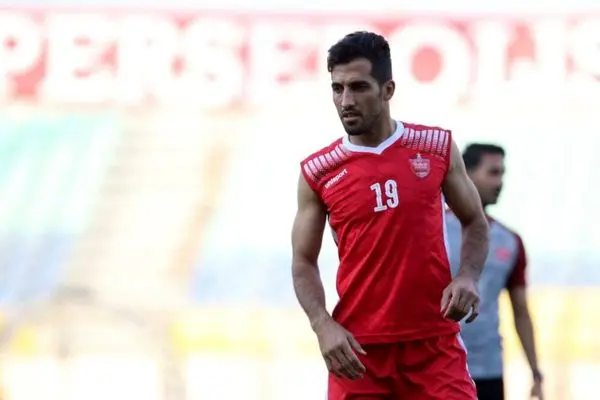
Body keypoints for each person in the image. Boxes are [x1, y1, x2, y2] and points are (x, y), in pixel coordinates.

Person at [290, 31, 490, 400]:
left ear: (388, 89)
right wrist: (322, 325)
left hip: (434, 345)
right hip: (358, 353)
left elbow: (475, 220)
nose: (346, 101)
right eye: (337, 88)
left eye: (358, 87)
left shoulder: (436, 148)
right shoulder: (319, 172)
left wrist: (468, 275)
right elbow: (303, 261)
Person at [446, 144, 544, 400]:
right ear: (466, 174)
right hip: (437, 366)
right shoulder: (434, 229)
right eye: (492, 173)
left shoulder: (510, 241)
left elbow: (520, 311)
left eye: (502, 173)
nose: (499, 182)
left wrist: (535, 372)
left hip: (488, 368)